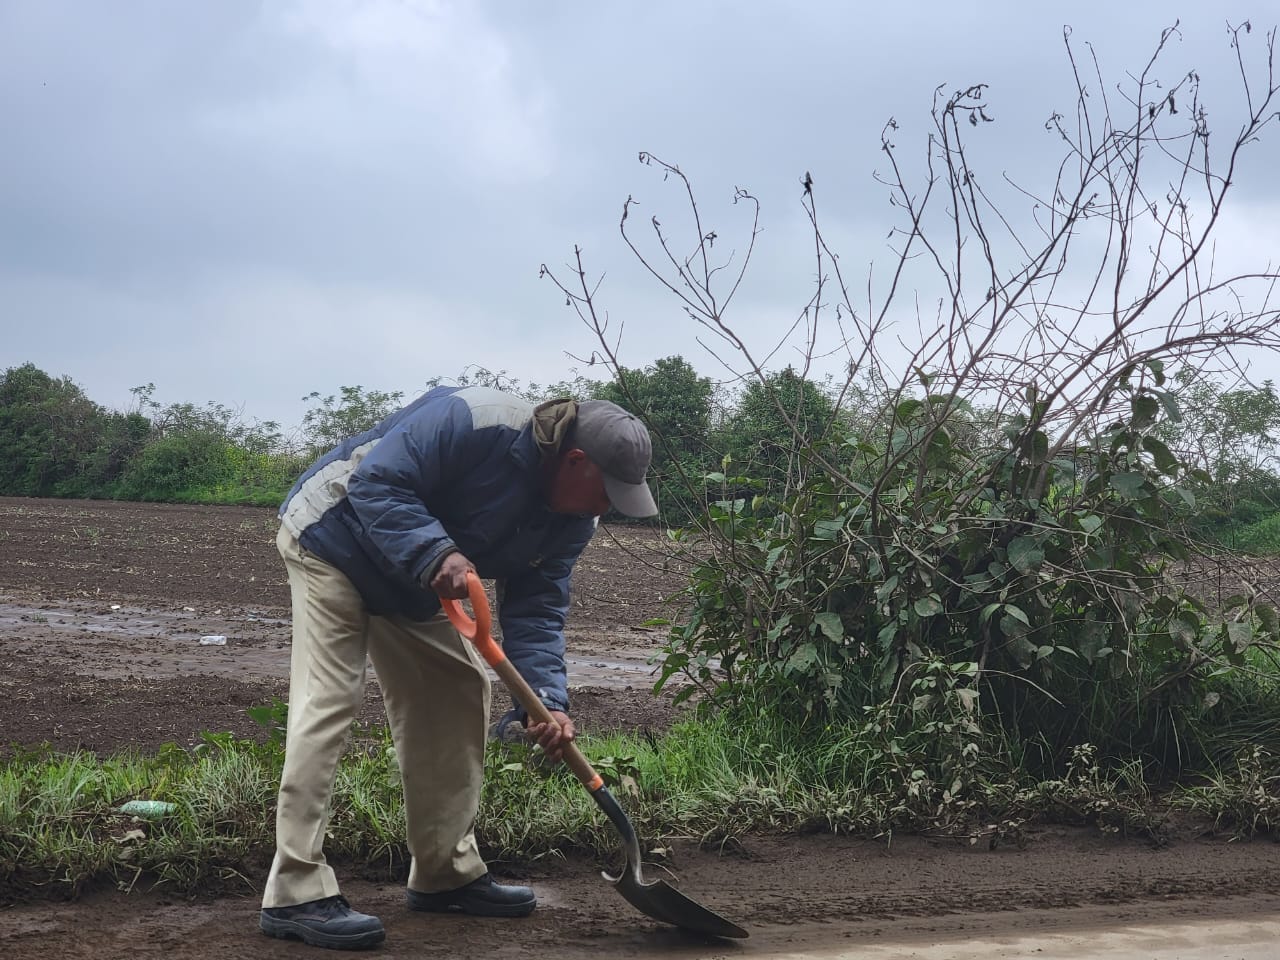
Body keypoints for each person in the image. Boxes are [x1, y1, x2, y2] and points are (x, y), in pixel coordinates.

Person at [258, 385, 657, 949]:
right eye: (607, 492)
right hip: (334, 540)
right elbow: (377, 482)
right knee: (331, 698)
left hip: (412, 581)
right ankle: (295, 892)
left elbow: (537, 609)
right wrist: (436, 552)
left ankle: (444, 875)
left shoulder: (572, 519)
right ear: (574, 460)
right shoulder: (474, 420)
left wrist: (545, 701)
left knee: (459, 690)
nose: (606, 507)